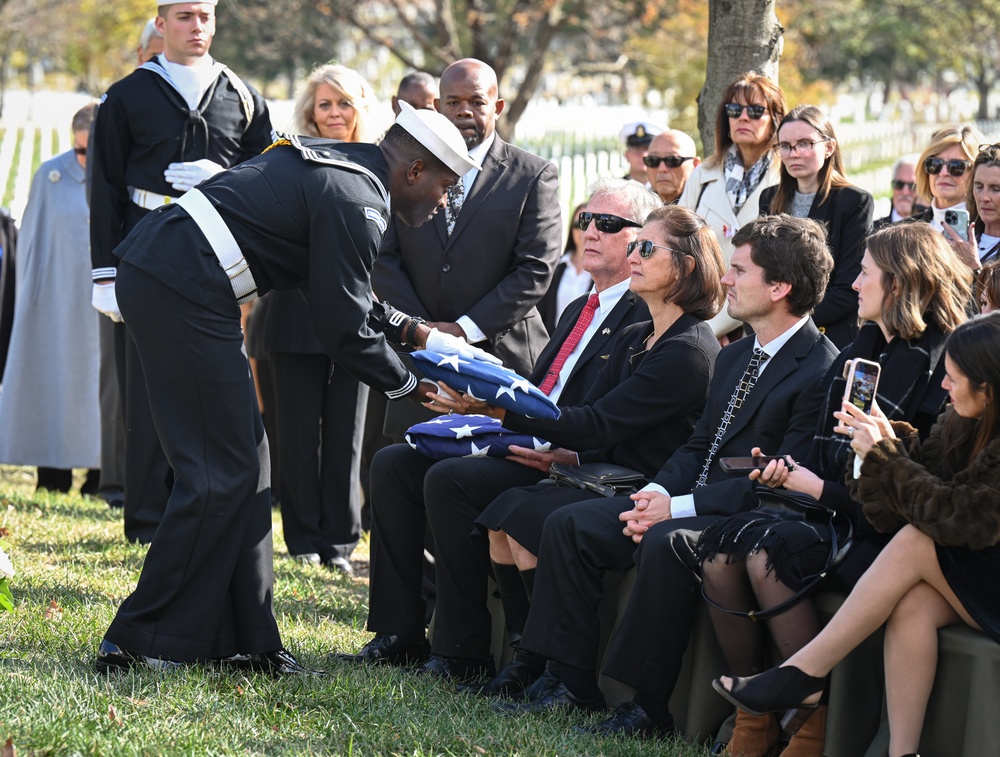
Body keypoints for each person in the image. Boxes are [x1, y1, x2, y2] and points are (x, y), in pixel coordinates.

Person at [94, 102, 490, 674]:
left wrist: (410, 330)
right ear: (414, 172)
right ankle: (137, 639)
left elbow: (337, 290)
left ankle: (247, 640)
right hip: (180, 283)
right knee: (219, 472)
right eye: (445, 185)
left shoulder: (350, 171)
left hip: (176, 274)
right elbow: (343, 329)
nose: (444, 199)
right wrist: (410, 386)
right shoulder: (360, 201)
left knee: (246, 466)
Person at [491, 216, 837, 729]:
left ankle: (647, 706)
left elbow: (778, 482)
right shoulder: (737, 352)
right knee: (570, 524)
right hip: (685, 499)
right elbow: (698, 445)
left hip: (754, 515)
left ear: (780, 287)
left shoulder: (820, 367)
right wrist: (654, 494)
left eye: (740, 271)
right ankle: (570, 682)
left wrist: (674, 508)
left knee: (666, 540)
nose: (726, 280)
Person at [337, 178, 657, 676]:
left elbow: (613, 417)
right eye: (586, 220)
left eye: (609, 224)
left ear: (643, 240)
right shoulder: (579, 307)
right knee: (395, 461)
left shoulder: (644, 315)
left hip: (572, 460)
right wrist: (475, 404)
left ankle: (461, 649)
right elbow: (540, 389)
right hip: (530, 440)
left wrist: (538, 439)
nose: (591, 231)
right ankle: (399, 631)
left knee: (449, 480)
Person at [697, 221, 970, 756]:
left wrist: (817, 487)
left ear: (899, 283)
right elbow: (823, 451)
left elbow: (908, 498)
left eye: (865, 274)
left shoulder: (941, 366)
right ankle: (756, 711)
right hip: (827, 506)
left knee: (765, 554)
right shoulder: (859, 350)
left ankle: (810, 717)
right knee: (720, 550)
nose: (854, 286)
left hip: (882, 527)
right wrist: (784, 470)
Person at [460, 204, 724, 699]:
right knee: (502, 517)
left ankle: (568, 676)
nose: (633, 253)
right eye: (636, 244)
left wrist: (498, 410)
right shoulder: (635, 333)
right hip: (605, 474)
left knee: (542, 519)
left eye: (647, 247)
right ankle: (529, 658)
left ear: (686, 267)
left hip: (644, 485)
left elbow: (599, 421)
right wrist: (565, 453)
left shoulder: (689, 350)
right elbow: (592, 419)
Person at [89, 0, 274, 543]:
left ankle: (206, 508)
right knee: (145, 391)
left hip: (216, 263)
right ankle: (147, 520)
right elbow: (103, 189)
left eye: (206, 17)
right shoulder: (126, 96)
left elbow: (272, 178)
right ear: (161, 23)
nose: (198, 28)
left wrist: (226, 177)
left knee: (212, 387)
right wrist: (105, 273)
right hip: (145, 257)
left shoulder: (242, 94)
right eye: (186, 17)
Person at [372, 57, 562, 437]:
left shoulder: (533, 175)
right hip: (419, 361)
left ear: (498, 106)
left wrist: (462, 329)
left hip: (503, 363)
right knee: (404, 478)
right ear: (438, 107)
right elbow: (383, 258)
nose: (464, 112)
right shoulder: (403, 170)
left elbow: (535, 268)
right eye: (453, 102)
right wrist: (425, 332)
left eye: (476, 101)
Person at [263, 64, 378, 573]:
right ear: (311, 111)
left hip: (359, 312)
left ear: (360, 110)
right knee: (296, 430)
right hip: (293, 312)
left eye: (344, 103)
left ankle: (341, 541)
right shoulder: (288, 158)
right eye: (325, 104)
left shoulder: (380, 162)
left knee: (347, 434)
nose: (334, 113)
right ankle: (303, 537)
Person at [0, 103, 102, 494]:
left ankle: (101, 476)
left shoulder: (123, 175)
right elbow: (32, 245)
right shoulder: (51, 176)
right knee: (54, 383)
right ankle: (53, 474)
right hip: (59, 303)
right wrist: (33, 301)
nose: (85, 159)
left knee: (103, 390)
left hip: (104, 305)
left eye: (92, 150)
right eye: (79, 150)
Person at [678, 72, 788, 341]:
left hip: (762, 324)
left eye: (755, 110)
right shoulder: (703, 174)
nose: (743, 117)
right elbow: (678, 246)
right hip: (700, 318)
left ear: (775, 120)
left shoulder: (788, 178)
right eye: (735, 109)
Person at [761, 105, 873, 347]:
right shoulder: (769, 199)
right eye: (785, 146)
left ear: (829, 147)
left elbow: (848, 289)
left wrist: (787, 320)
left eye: (805, 144)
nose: (794, 154)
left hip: (827, 337)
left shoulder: (854, 202)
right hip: (771, 333)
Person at [909, 125, 983, 246]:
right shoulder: (906, 230)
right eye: (935, 164)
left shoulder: (991, 232)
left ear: (977, 173)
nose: (943, 173)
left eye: (956, 166)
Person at [537, 201, 591, 333]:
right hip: (552, 344)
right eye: (578, 225)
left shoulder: (604, 272)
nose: (582, 231)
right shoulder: (556, 266)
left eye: (587, 224)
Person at [949, 142, 1000, 274]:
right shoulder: (962, 236)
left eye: (996, 189)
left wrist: (974, 268)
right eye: (979, 186)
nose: (984, 197)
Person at [644, 130, 700, 205]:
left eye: (673, 160)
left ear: (695, 164)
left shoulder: (709, 205)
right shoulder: (636, 210)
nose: (662, 169)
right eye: (653, 160)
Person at [873, 154, 919, 230]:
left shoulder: (933, 230)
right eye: (899, 184)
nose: (905, 192)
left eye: (912, 185)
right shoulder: (872, 231)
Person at [619, 121, 663, 186]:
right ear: (627, 155)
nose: (643, 154)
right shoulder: (615, 189)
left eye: (648, 149)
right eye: (637, 149)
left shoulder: (666, 189)